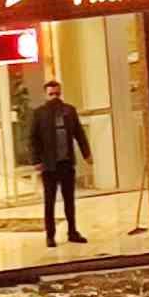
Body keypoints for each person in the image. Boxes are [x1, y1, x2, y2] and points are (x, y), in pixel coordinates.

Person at [29, 80, 91, 247]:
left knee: (69, 200)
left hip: (66, 163)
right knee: (49, 202)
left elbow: (79, 133)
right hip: (49, 166)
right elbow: (33, 139)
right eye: (51, 94)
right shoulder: (39, 114)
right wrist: (36, 160)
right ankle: (50, 235)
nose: (54, 97)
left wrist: (87, 153)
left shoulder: (69, 111)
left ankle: (72, 231)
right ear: (45, 95)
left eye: (57, 94)